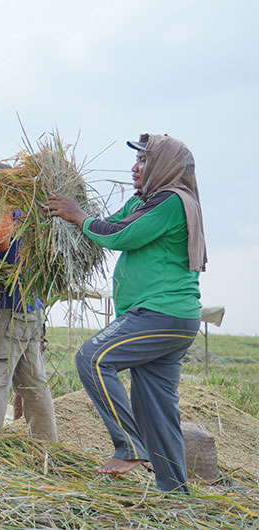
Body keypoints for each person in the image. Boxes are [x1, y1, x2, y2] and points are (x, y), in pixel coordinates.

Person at [45, 133, 205, 493]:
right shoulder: (145, 201)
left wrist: (77, 214)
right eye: (137, 161)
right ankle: (175, 493)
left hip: (161, 315)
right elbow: (107, 224)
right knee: (156, 409)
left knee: (92, 357)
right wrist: (75, 217)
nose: (135, 168)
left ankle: (130, 447)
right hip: (167, 318)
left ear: (166, 167)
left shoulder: (172, 202)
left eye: (145, 161)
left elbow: (118, 234)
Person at [0, 170, 58, 443]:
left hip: (7, 310)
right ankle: (46, 445)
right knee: (33, 385)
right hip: (31, 311)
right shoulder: (31, 211)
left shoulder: (2, 201)